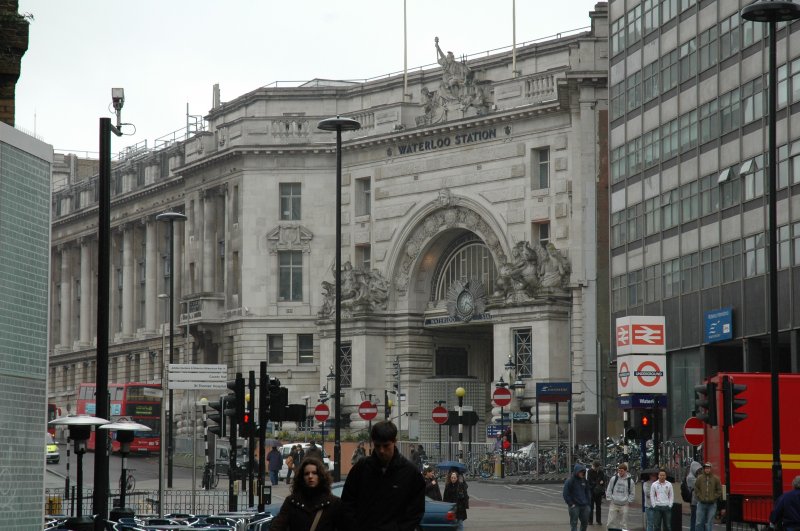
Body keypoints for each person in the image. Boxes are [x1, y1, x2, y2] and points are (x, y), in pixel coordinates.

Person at [341, 420, 425, 531]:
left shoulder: (410, 473)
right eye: (377, 446)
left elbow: (415, 511)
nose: (381, 450)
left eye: (386, 446)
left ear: (394, 442)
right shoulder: (361, 469)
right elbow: (347, 503)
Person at [270, 456, 342, 531]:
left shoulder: (333, 503)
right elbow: (278, 526)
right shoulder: (292, 502)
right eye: (307, 474)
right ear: (302, 477)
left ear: (320, 476)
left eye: (314, 473)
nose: (310, 476)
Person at [606, 462, 635, 531]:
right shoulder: (614, 478)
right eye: (619, 470)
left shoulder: (630, 481)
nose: (620, 472)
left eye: (622, 471)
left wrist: (628, 501)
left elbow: (632, 492)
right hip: (614, 503)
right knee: (610, 522)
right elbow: (609, 489)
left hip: (624, 505)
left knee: (623, 524)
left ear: (625, 471)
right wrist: (610, 499)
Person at [563, 463, 592, 531]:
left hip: (584, 505)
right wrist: (571, 504)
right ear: (577, 471)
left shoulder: (584, 480)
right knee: (574, 523)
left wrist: (588, 503)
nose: (582, 473)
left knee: (585, 523)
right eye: (581, 472)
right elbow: (566, 493)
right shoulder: (570, 481)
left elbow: (587, 491)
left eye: (583, 472)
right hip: (574, 506)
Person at [694, 462, 722, 531]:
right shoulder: (699, 478)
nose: (707, 470)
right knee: (699, 522)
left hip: (712, 504)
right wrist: (699, 496)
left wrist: (714, 497)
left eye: (708, 468)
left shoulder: (716, 479)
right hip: (701, 503)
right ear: (704, 469)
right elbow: (696, 488)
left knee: (710, 522)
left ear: (711, 469)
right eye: (706, 468)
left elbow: (719, 490)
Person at [587, 460, 606, 525]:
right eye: (594, 467)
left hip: (599, 492)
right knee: (591, 507)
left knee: (598, 507)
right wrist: (598, 483)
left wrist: (601, 483)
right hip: (592, 492)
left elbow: (603, 480)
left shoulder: (601, 472)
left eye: (596, 467)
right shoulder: (590, 471)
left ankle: (598, 520)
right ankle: (590, 521)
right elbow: (589, 481)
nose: (594, 468)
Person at [686, 460, 703, 531]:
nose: (699, 471)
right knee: (694, 519)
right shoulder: (690, 477)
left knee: (698, 519)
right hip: (694, 502)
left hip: (698, 501)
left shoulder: (696, 476)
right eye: (698, 470)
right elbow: (699, 485)